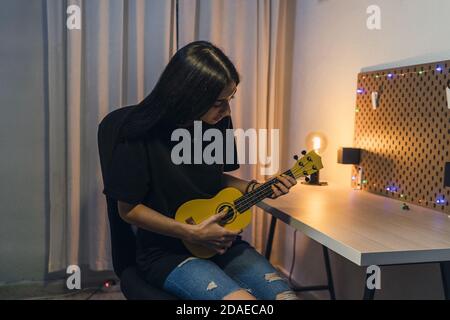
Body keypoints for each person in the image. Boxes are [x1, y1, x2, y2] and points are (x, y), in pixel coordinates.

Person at [99, 41, 299, 300]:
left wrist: (256, 188)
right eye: (218, 102)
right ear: (189, 96)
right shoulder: (138, 131)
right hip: (165, 251)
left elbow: (215, 178)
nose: (227, 111)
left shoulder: (217, 123)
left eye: (230, 99)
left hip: (219, 244)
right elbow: (128, 210)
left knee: (286, 298)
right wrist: (193, 232)